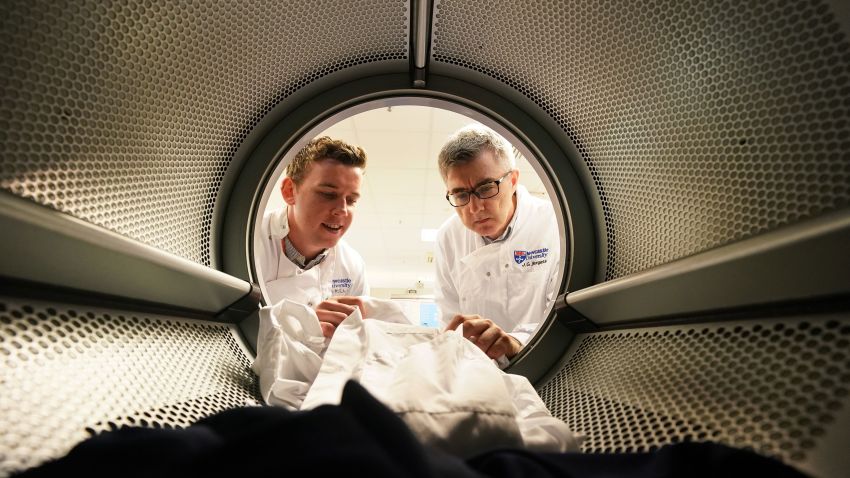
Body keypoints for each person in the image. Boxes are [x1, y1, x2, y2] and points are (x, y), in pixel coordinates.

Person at [434, 124, 561, 362]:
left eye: (486, 188)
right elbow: (450, 319)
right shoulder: (448, 237)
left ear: (513, 180)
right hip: (477, 373)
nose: (475, 208)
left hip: (547, 362)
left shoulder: (554, 224)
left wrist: (516, 343)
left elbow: (560, 316)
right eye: (461, 195)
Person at [255, 136, 370, 338]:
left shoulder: (352, 265)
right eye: (328, 194)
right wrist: (302, 327)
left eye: (351, 200)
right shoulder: (251, 245)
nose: (342, 210)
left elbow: (357, 342)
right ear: (290, 191)